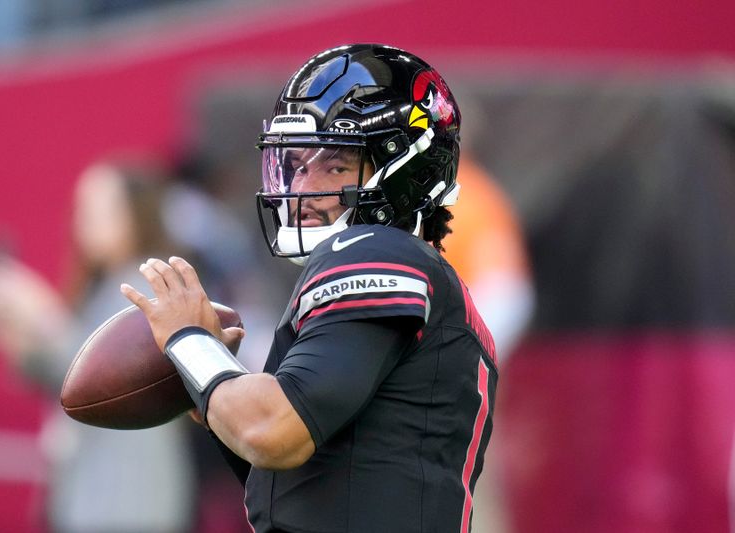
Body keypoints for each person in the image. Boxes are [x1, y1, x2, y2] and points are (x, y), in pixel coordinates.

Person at [122, 44, 498, 532]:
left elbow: (274, 432)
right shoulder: (416, 274)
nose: (302, 187)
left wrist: (188, 340)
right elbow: (294, 482)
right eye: (298, 165)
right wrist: (213, 384)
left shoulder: (378, 249)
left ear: (408, 168)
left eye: (335, 165)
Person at [0, 159, 197, 532]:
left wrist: (38, 310)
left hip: (128, 494)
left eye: (98, 208)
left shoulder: (144, 287)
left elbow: (95, 374)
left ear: (135, 213)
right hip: (97, 490)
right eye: (82, 207)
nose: (82, 219)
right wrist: (15, 327)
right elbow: (58, 374)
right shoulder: (104, 286)